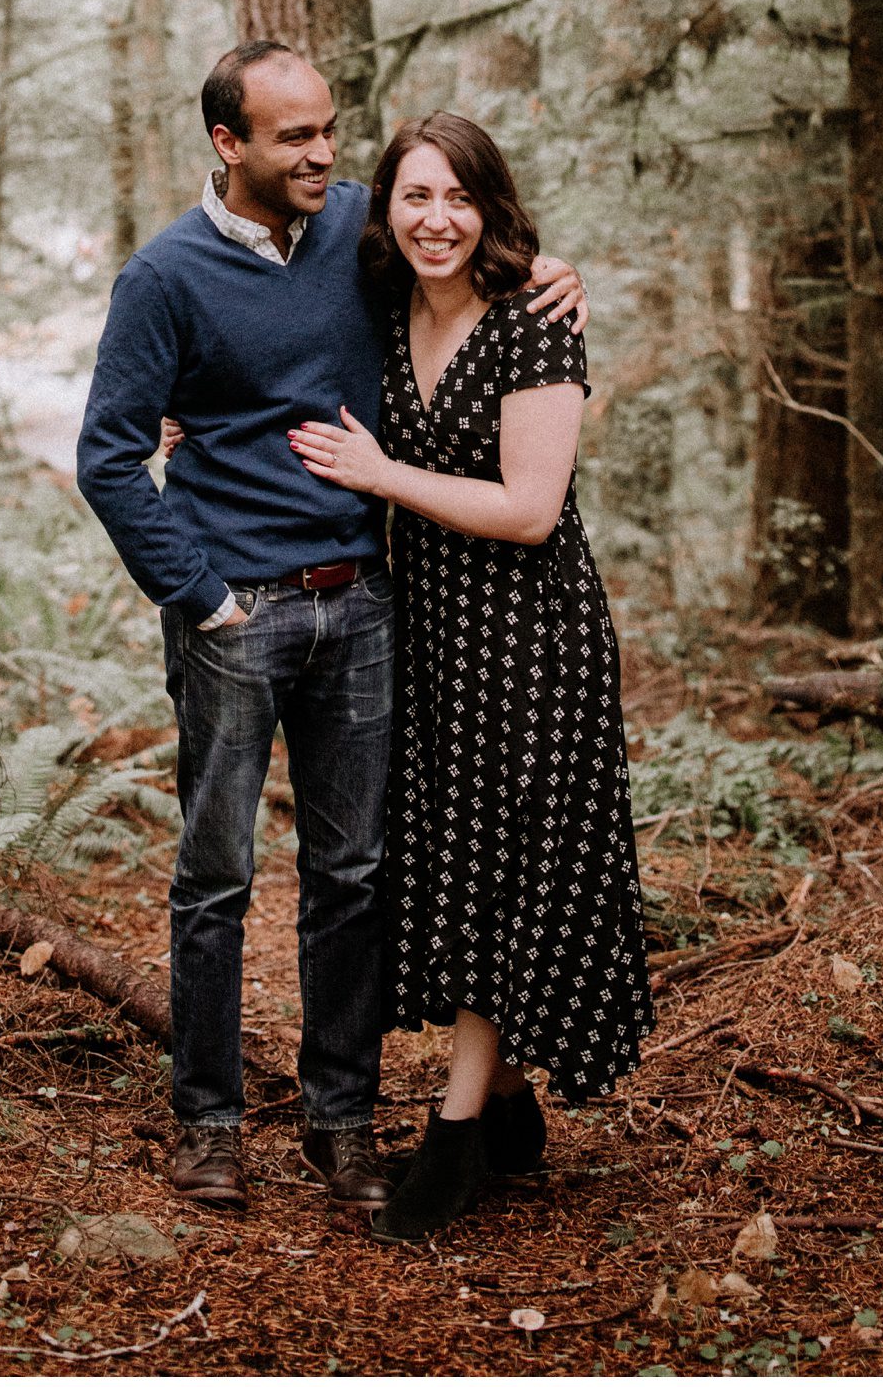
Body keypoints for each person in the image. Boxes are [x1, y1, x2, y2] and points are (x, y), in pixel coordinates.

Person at [76, 43, 585, 1218]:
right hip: (234, 612)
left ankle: (340, 1122)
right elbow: (108, 457)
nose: (321, 154)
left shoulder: (358, 224)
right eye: (292, 135)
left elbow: (461, 240)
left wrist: (554, 270)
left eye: (327, 129)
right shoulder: (164, 276)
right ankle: (207, 1124)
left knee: (350, 875)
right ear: (227, 143)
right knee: (215, 875)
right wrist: (200, 594)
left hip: (360, 599)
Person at [289, 111, 653, 1244]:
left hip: (533, 637)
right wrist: (177, 411)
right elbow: (263, 310)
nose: (436, 219)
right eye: (416, 196)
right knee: (453, 861)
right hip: (435, 634)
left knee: (503, 865)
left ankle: (453, 1136)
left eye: (460, 197)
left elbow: (530, 508)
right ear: (384, 209)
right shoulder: (385, 303)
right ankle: (505, 1105)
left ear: (492, 207)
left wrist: (381, 474)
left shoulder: (535, 322)